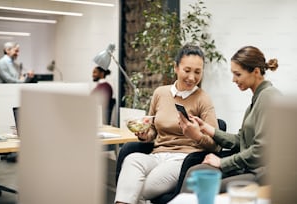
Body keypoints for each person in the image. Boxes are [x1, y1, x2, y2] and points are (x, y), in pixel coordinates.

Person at [115, 44, 221, 204]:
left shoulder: (203, 99)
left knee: (135, 189)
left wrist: (196, 135)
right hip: (157, 155)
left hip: (182, 159)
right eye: (187, 70)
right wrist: (145, 134)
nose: (192, 77)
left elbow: (216, 145)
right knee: (132, 159)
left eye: (197, 72)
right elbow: (152, 130)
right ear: (176, 68)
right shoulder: (160, 93)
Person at [178, 45, 282, 193]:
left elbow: (261, 151)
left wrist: (222, 162)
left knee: (201, 184)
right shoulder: (257, 100)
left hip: (261, 173)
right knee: (195, 173)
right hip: (248, 167)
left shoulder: (268, 97)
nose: (233, 80)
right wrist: (208, 129)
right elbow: (241, 141)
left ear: (256, 72)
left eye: (238, 74)